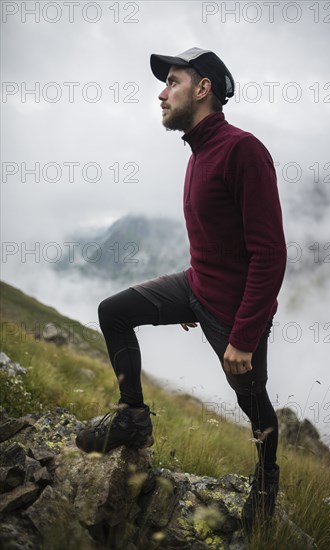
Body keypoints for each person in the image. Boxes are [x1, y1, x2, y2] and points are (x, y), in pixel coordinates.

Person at [76, 47, 287, 533]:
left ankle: (266, 482)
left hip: (234, 313)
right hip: (195, 286)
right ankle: (132, 417)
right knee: (114, 311)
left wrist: (245, 336)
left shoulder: (243, 150)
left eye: (172, 81)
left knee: (252, 400)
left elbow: (270, 253)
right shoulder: (197, 152)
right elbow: (214, 239)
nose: (161, 92)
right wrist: (187, 291)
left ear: (203, 88)